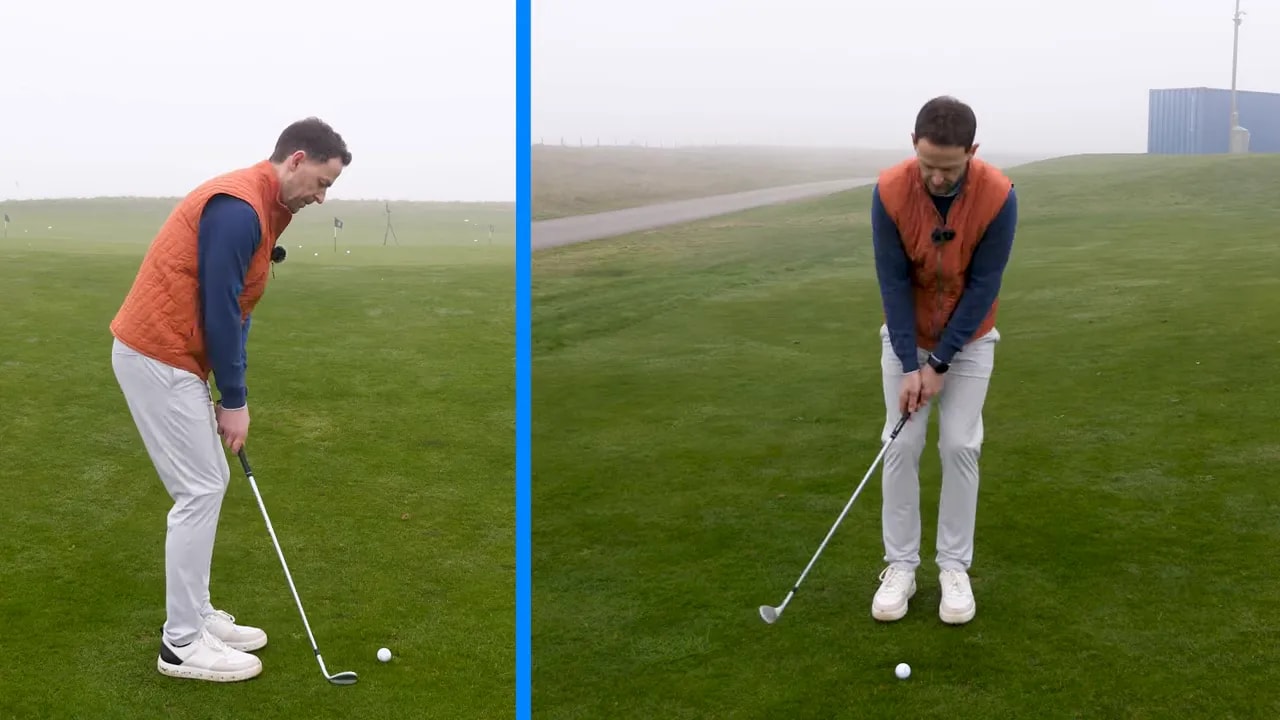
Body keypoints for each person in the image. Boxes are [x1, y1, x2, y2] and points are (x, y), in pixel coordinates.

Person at [109, 117, 352, 681]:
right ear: (296, 159)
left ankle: (195, 613)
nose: (320, 197)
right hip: (157, 352)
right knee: (199, 488)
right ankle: (182, 643)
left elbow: (236, 309)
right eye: (321, 182)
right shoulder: (240, 208)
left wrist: (226, 389)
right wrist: (235, 398)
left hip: (176, 357)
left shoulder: (265, 211)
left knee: (206, 484)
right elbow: (218, 307)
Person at [868, 96, 1018, 626]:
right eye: (928, 164)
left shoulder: (999, 195)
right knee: (901, 442)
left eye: (949, 168)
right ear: (914, 144)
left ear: (972, 152)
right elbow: (892, 280)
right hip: (907, 338)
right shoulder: (888, 190)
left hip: (971, 340)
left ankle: (954, 566)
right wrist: (911, 364)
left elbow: (984, 286)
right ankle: (900, 566)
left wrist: (940, 363)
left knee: (959, 444)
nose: (936, 178)